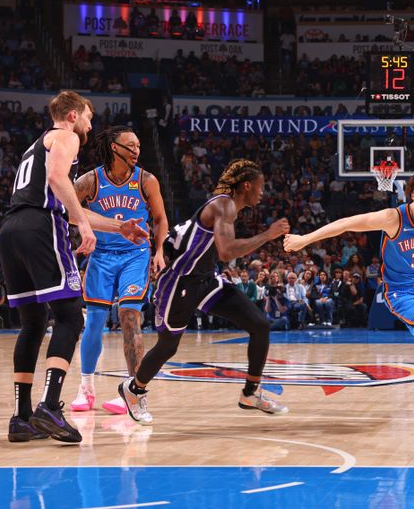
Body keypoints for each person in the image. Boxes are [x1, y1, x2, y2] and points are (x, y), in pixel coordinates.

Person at [0, 91, 148, 444]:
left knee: (33, 324)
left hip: (11, 230)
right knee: (70, 317)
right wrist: (82, 224)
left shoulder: (36, 146)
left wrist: (117, 226)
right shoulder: (65, 136)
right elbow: (57, 180)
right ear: (71, 116)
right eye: (88, 117)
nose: (90, 124)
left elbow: (60, 193)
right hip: (40, 228)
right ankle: (50, 406)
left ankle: (21, 418)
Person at [284, 172, 414, 412]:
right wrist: (304, 239)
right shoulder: (393, 218)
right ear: (410, 196)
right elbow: (346, 223)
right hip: (400, 292)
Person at [118, 159, 290, 424]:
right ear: (246, 185)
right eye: (261, 186)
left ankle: (250, 393)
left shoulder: (227, 206)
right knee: (168, 347)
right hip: (179, 281)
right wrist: (267, 235)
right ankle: (133, 390)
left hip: (206, 280)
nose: (263, 192)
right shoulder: (224, 205)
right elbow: (226, 251)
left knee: (259, 324)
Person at [70, 126, 168, 415]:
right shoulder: (91, 180)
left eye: (139, 145)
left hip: (135, 255)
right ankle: (86, 387)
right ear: (114, 148)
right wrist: (84, 235)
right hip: (101, 255)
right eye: (131, 145)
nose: (137, 150)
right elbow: (70, 212)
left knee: (129, 316)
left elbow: (161, 218)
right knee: (95, 320)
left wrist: (160, 250)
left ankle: (132, 390)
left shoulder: (146, 180)